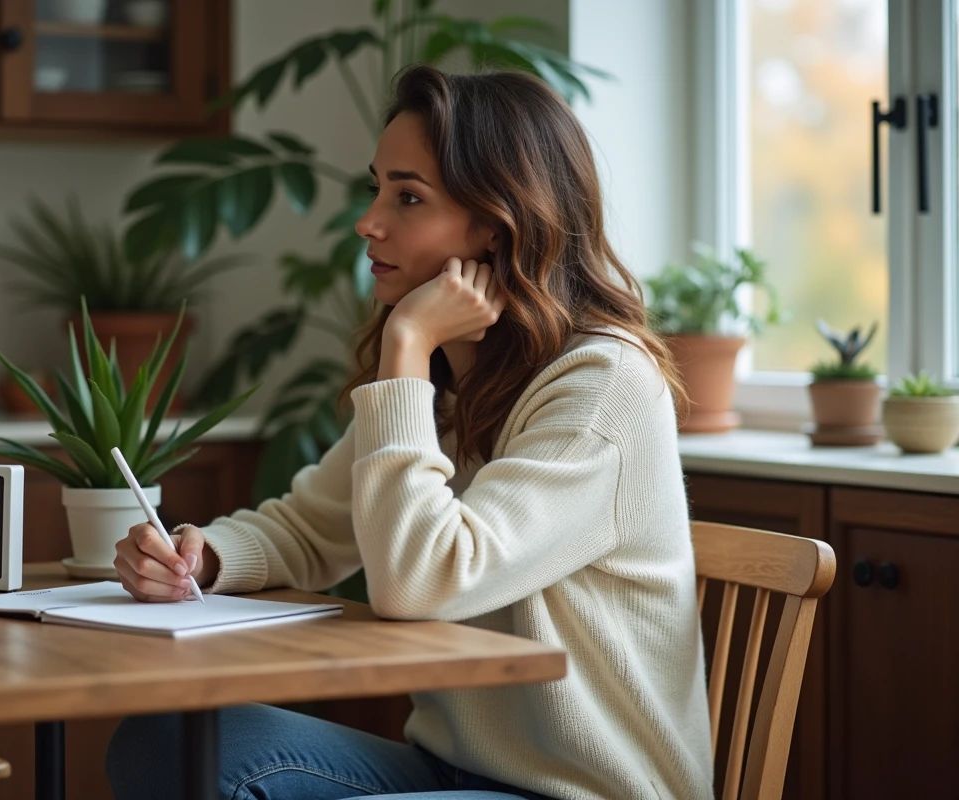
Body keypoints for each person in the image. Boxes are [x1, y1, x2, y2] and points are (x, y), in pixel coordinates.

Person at [105, 65, 714, 800]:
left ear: (495, 224)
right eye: (377, 188)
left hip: (577, 792)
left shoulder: (601, 388)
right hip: (453, 769)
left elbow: (422, 582)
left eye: (409, 197)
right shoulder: (457, 379)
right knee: (166, 743)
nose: (370, 221)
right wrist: (198, 559)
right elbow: (308, 529)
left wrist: (406, 346)